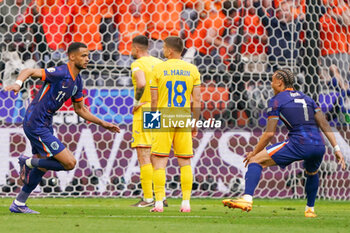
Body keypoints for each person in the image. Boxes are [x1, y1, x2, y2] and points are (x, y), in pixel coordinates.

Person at [5, 42, 120, 214]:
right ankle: (27, 162)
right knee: (69, 163)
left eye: (88, 56)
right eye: (83, 55)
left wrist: (103, 123)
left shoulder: (77, 81)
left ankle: (19, 203)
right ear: (71, 56)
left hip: (45, 123)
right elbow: (28, 71)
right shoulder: (60, 72)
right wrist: (18, 83)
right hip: (35, 122)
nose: (88, 59)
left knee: (44, 165)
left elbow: (80, 109)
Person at [222, 69, 346, 218]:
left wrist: (254, 152)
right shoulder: (308, 99)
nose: (271, 83)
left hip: (298, 143)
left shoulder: (277, 100)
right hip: (319, 145)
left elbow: (269, 134)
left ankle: (247, 199)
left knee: (255, 161)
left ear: (279, 82)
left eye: (273, 80)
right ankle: (310, 210)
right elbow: (324, 124)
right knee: (312, 172)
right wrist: (336, 149)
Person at [150, 36, 201, 213]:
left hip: (164, 117)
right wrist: (195, 123)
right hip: (183, 117)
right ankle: (186, 202)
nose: (163, 49)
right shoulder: (192, 70)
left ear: (170, 50)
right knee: (185, 161)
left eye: (164, 47)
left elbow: (154, 99)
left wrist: (152, 121)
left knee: (159, 161)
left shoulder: (158, 69)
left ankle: (158, 203)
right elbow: (197, 100)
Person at [129, 35, 163, 207]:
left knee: (143, 154)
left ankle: (148, 198)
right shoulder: (158, 63)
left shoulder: (137, 64)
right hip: (157, 109)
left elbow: (141, 83)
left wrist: (136, 102)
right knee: (155, 154)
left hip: (144, 109)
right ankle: (160, 196)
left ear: (136, 48)